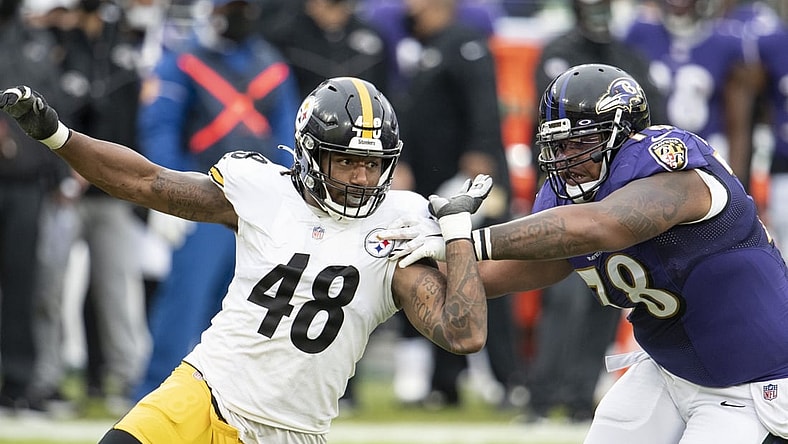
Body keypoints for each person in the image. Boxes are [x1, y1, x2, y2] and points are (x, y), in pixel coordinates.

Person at [0, 76, 491, 444]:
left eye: (372, 163)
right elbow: (147, 182)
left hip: (295, 430)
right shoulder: (263, 191)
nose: (360, 177)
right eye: (345, 159)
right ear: (310, 153)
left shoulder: (401, 224)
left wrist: (457, 236)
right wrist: (59, 136)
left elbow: (463, 333)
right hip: (205, 390)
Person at [384, 63, 788, 443]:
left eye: (581, 142)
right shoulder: (565, 197)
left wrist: (465, 238)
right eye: (558, 146)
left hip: (753, 380)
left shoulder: (668, 165)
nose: (566, 159)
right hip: (671, 369)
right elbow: (489, 275)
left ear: (623, 134)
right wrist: (395, 256)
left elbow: (605, 224)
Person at [133, 0, 301, 402]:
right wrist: (168, 196)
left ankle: (235, 396)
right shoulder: (183, 60)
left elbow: (287, 137)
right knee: (186, 299)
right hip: (205, 198)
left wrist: (288, 200)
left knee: (249, 308)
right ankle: (159, 391)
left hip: (259, 205)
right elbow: (160, 130)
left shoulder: (270, 64)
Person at [525, 0, 668, 422]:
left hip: (621, 196)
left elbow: (651, 130)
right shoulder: (558, 55)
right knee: (566, 297)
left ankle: (577, 393)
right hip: (570, 190)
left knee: (609, 297)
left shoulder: (629, 60)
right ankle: (542, 393)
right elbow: (550, 136)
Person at [384, 0, 519, 408]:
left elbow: (483, 111)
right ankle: (445, 382)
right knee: (440, 273)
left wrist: (474, 173)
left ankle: (504, 377)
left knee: (483, 273)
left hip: (463, 187)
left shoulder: (464, 42)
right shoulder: (423, 45)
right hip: (432, 187)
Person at [0, 0, 69, 413]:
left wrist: (59, 172)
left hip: (27, 184)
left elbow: (54, 109)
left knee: (25, 286)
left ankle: (20, 383)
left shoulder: (37, 43)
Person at [265, 0, 389, 98]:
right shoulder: (289, 38)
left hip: (359, 116)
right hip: (307, 114)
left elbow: (383, 87)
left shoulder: (371, 38)